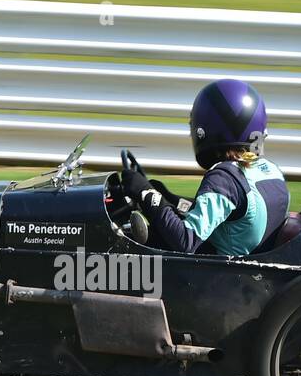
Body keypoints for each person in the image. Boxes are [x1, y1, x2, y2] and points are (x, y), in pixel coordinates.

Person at [119, 79, 289, 256]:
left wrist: (147, 195)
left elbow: (186, 241)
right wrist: (169, 199)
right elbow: (221, 212)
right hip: (253, 266)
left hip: (219, 276)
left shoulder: (224, 180)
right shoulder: (270, 170)